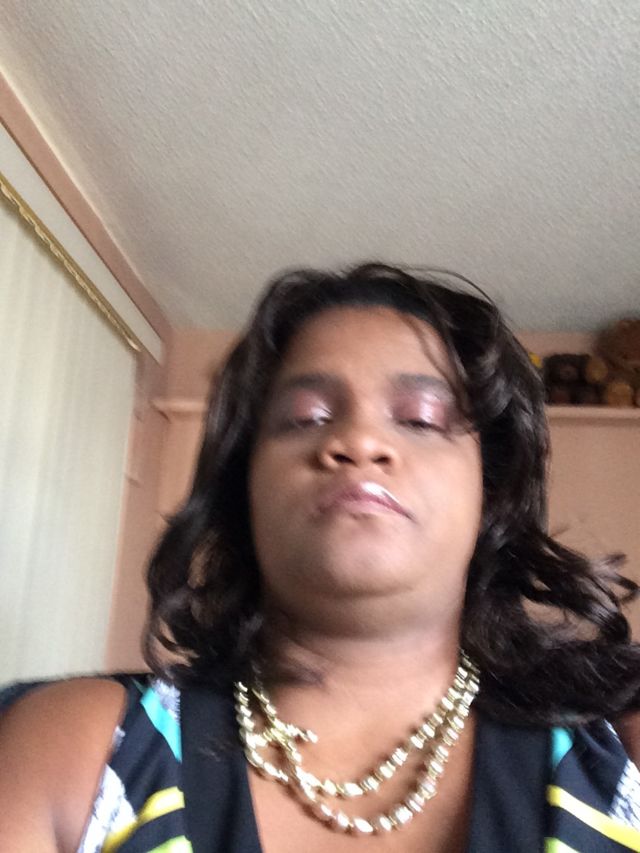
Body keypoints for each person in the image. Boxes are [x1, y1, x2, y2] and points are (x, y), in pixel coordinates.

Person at [1, 262, 640, 853]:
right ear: (244, 485)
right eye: (306, 417)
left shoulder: (620, 749)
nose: (358, 440)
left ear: (490, 491)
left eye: (420, 419)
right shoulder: (74, 747)